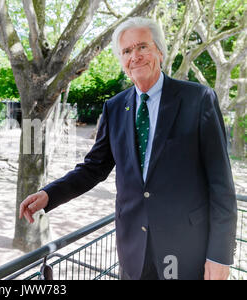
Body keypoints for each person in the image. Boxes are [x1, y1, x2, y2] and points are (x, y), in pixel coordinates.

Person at [19, 17, 237, 280]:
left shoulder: (198, 99)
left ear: (159, 50)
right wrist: (48, 195)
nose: (135, 56)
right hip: (134, 250)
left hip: (187, 250)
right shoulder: (114, 107)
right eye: (126, 51)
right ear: (122, 61)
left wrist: (219, 256)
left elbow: (221, 186)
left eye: (142, 47)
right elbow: (94, 168)